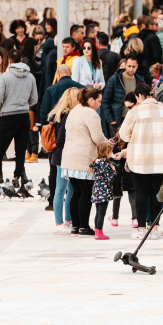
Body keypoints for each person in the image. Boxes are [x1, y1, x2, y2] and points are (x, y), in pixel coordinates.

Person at [118, 83, 163, 238]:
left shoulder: (135, 112)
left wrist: (136, 137)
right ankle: (155, 228)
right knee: (156, 193)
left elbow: (123, 135)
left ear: (139, 96)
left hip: (139, 159)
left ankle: (141, 229)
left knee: (141, 193)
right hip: (161, 159)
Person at [61, 87, 106, 237]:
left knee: (76, 192)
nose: (99, 104)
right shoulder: (91, 113)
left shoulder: (74, 111)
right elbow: (98, 137)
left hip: (69, 158)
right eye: (98, 101)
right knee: (86, 193)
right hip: (83, 158)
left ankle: (75, 226)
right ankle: (84, 226)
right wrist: (109, 144)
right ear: (91, 100)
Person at [0, 54, 38, 186]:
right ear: (21, 60)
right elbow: (34, 99)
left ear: (9, 61)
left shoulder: (5, 76)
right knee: (20, 149)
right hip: (24, 115)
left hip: (7, 115)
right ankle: (17, 176)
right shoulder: (30, 76)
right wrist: (24, 105)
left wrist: (1, 108)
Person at [49, 87, 80, 233]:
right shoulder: (67, 115)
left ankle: (67, 219)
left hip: (61, 155)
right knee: (62, 189)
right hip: (63, 156)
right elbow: (61, 139)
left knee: (68, 189)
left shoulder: (58, 114)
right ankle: (60, 222)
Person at [101, 54, 140, 138]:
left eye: (133, 66)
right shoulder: (115, 79)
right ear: (125, 65)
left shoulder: (140, 80)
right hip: (118, 119)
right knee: (117, 145)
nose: (131, 69)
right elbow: (105, 101)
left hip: (134, 119)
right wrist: (111, 120)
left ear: (137, 66)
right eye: (129, 66)